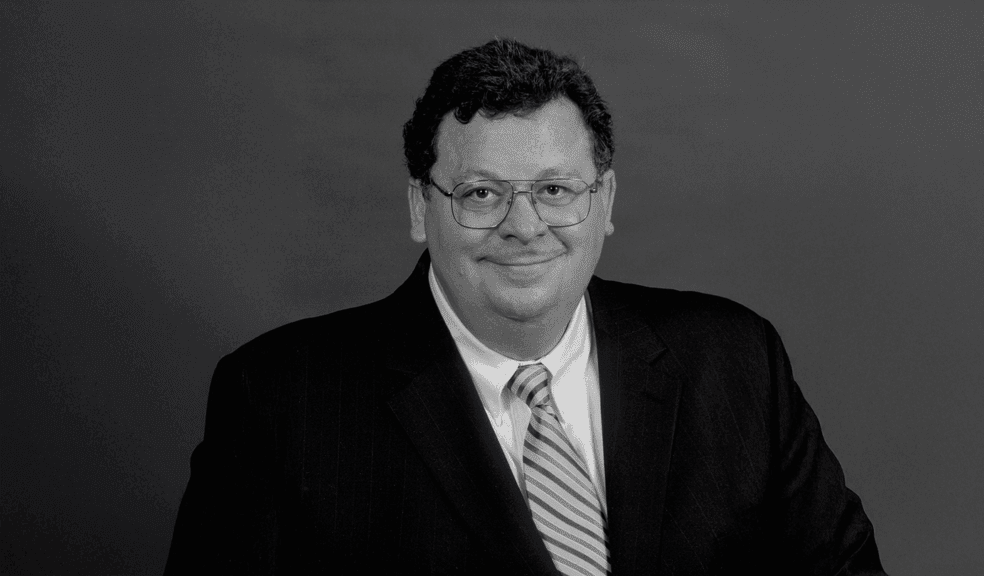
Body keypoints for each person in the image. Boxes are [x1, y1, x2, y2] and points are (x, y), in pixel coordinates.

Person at [165, 39, 886, 575]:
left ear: (603, 201)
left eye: (554, 190)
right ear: (422, 207)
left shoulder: (735, 362)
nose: (524, 225)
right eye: (482, 193)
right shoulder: (280, 402)